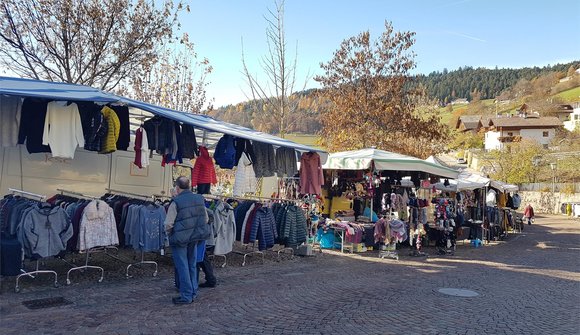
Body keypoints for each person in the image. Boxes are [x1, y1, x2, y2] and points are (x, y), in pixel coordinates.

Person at [164, 176, 211, 304]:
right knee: (192, 264)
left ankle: (186, 295)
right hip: (195, 237)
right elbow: (205, 219)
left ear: (177, 188)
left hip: (180, 239)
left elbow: (168, 224)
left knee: (182, 266)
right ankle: (193, 291)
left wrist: (170, 235)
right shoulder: (199, 199)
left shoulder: (176, 202)